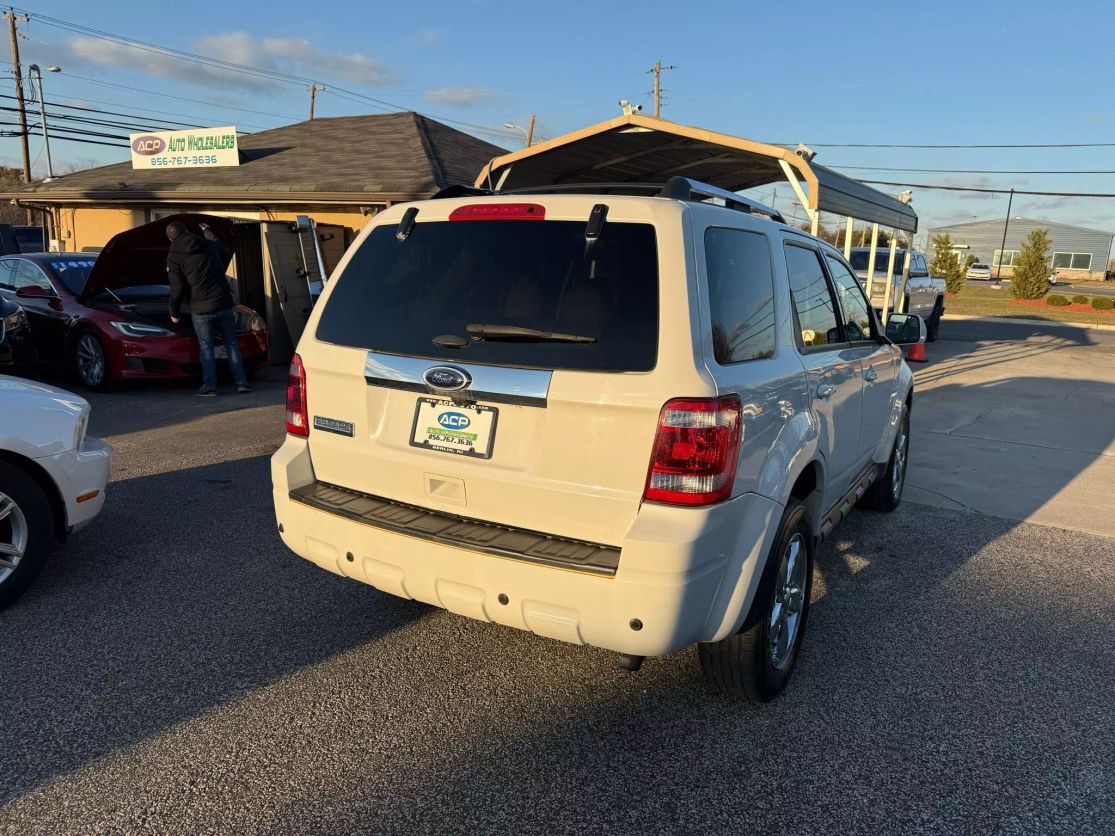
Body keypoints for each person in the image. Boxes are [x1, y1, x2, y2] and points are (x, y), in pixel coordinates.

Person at [166, 221, 250, 397]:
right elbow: (224, 249)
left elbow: (177, 288)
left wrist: (174, 312)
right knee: (231, 343)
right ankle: (241, 383)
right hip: (223, 302)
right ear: (187, 230)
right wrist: (207, 230)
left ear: (170, 238)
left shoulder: (174, 256)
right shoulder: (206, 244)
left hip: (200, 308)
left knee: (206, 347)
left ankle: (210, 387)